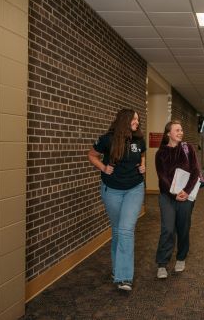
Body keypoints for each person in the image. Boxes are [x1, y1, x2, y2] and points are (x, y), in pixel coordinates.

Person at [87, 109, 146, 291]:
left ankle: (124, 277)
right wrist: (104, 168)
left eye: (137, 119)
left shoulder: (138, 140)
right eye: (134, 119)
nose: (137, 122)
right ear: (125, 120)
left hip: (134, 189)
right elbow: (91, 155)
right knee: (118, 231)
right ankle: (117, 269)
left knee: (126, 230)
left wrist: (142, 165)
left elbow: (142, 154)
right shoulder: (107, 139)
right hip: (111, 190)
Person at [155, 120, 201, 279]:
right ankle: (162, 263)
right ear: (168, 133)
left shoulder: (188, 149)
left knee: (183, 227)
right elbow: (162, 176)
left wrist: (186, 191)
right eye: (177, 130)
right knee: (167, 229)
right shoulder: (161, 153)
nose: (181, 132)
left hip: (186, 196)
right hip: (167, 196)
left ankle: (181, 258)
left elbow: (195, 171)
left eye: (181, 130)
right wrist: (174, 193)